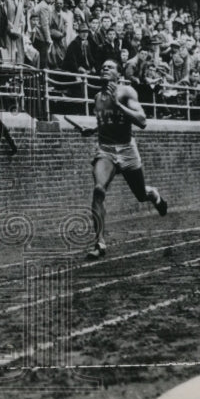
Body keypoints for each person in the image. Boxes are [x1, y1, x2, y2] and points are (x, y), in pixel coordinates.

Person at [74, 59, 168, 259]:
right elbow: (108, 121)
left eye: (109, 67)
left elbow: (142, 121)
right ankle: (99, 242)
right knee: (99, 190)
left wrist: (118, 105)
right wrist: (93, 129)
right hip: (106, 150)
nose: (104, 69)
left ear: (119, 74)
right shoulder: (97, 97)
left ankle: (155, 195)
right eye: (102, 67)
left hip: (127, 150)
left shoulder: (127, 92)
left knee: (141, 194)